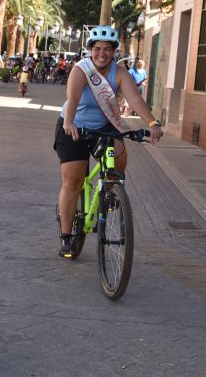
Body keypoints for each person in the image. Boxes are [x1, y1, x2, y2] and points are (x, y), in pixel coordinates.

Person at [53, 26, 163, 257]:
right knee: (72, 180)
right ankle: (66, 236)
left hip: (104, 128)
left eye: (107, 50)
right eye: (97, 49)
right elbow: (72, 97)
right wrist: (69, 122)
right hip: (73, 127)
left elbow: (134, 99)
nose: (101, 54)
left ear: (113, 52)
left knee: (120, 156)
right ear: (90, 50)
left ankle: (110, 193)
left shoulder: (119, 73)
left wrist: (152, 123)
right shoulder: (81, 70)